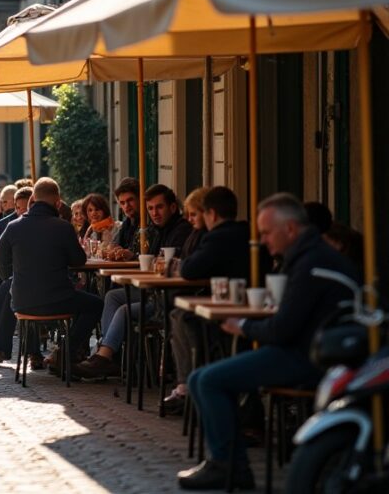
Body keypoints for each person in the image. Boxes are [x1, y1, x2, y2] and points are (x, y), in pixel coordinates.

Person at [179, 193, 358, 490]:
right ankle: (227, 462)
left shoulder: (312, 263)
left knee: (207, 380)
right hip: (304, 348)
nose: (261, 241)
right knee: (201, 378)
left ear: (289, 229)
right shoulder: (304, 257)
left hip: (310, 357)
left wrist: (244, 326)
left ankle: (229, 466)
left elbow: (282, 330)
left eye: (265, 233)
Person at [76, 184, 195, 379]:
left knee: (124, 309)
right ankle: (110, 354)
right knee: (112, 296)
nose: (154, 213)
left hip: (167, 298)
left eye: (159, 207)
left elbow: (169, 264)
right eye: (151, 208)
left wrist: (140, 258)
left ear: (173, 207)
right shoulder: (157, 229)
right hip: (154, 291)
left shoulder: (179, 230)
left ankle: (105, 356)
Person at [0, 179, 102, 371]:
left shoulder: (13, 226)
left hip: (22, 301)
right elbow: (78, 261)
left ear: (33, 200)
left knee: (86, 302)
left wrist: (8, 279)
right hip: (58, 299)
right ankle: (65, 352)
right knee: (96, 304)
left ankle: (54, 353)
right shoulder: (63, 227)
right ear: (58, 203)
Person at [162, 186, 249, 414]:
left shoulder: (218, 236)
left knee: (180, 315)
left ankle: (189, 383)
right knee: (179, 313)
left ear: (210, 214)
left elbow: (190, 269)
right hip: (245, 303)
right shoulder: (246, 232)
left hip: (232, 311)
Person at [0, 185, 32, 366]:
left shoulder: (52, 223)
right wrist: (8, 276)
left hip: (49, 282)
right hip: (17, 278)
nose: (22, 212)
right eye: (19, 208)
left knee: (14, 290)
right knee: (10, 288)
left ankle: (29, 352)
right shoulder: (6, 225)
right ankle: (2, 348)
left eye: (27, 208)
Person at [111, 177, 141, 255]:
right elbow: (114, 244)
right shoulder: (127, 223)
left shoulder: (148, 221)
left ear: (140, 198)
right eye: (122, 203)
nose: (126, 206)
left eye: (130, 200)